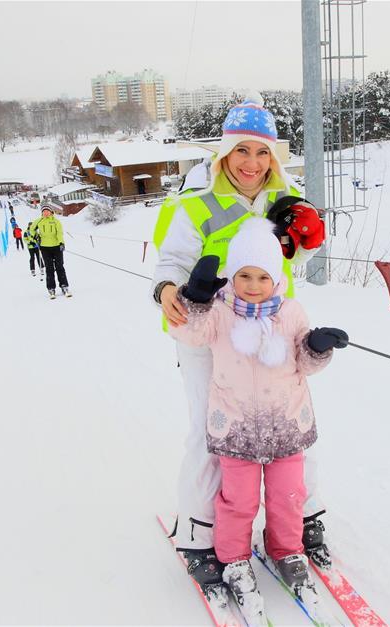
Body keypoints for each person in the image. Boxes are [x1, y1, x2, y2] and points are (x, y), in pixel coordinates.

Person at [150, 94, 328, 587]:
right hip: (210, 334)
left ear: (274, 156)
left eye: (262, 153)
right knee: (212, 436)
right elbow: (169, 265)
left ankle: (302, 517)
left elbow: (292, 267)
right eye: (242, 151)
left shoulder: (286, 196)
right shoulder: (193, 200)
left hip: (273, 333)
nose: (252, 163)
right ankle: (200, 534)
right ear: (225, 153)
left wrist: (306, 244)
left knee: (294, 428)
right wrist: (168, 289)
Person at [169, 218, 348, 614]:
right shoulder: (219, 312)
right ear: (232, 277)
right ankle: (233, 559)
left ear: (277, 278)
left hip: (287, 426)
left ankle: (287, 550)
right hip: (236, 430)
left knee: (288, 497)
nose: (252, 285)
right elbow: (188, 333)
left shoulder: (291, 312)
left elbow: (304, 360)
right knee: (238, 502)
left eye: (262, 276)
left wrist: (317, 345)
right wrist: (195, 297)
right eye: (244, 275)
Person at [32, 207, 69, 298]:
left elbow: (59, 233)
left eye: (47, 211)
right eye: (44, 211)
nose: (45, 213)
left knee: (59, 266)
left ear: (51, 212)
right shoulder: (39, 221)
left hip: (56, 246)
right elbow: (31, 230)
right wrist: (36, 237)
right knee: (49, 268)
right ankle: (51, 288)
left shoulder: (56, 221)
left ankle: (64, 286)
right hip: (44, 248)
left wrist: (61, 242)